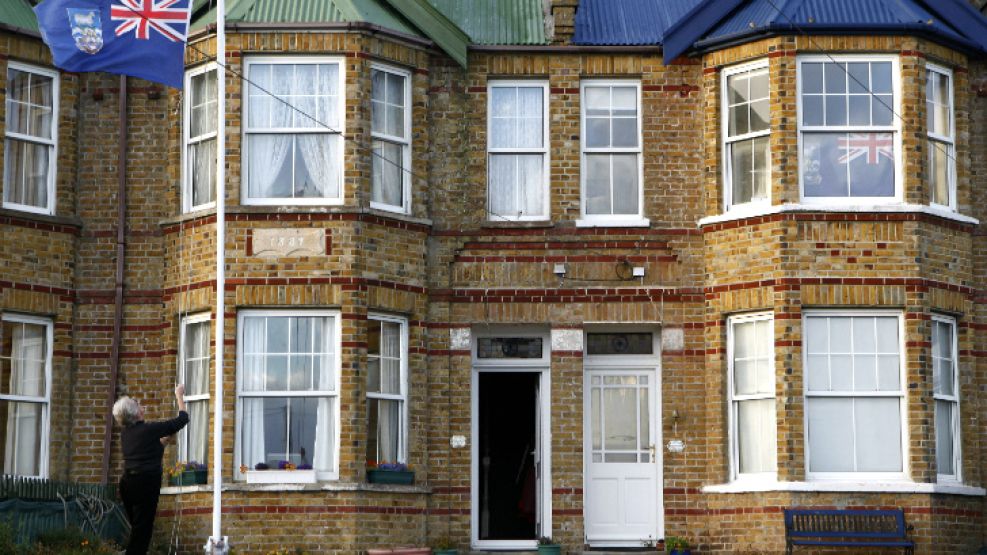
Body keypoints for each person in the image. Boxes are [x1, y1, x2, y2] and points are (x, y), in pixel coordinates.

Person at [113, 385, 189, 555]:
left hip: (128, 485)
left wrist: (164, 440)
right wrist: (179, 396)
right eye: (139, 405)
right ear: (136, 413)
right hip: (145, 484)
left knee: (138, 531)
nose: (142, 406)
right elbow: (183, 419)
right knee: (142, 533)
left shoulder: (126, 434)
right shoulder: (148, 430)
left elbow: (148, 451)